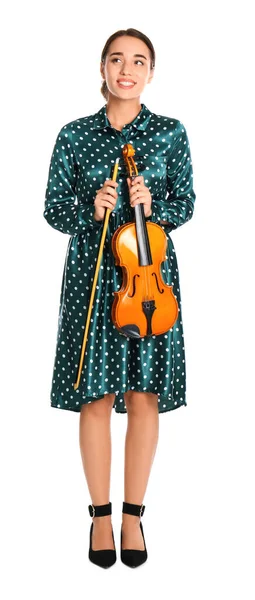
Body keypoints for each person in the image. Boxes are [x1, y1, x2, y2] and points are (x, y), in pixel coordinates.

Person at [43, 28, 196, 569]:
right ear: (102, 69)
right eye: (116, 59)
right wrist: (91, 207)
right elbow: (53, 209)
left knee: (145, 395)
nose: (126, 69)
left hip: (147, 279)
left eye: (139, 61)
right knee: (95, 398)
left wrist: (154, 205)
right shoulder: (74, 134)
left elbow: (187, 204)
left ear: (151, 73)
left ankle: (134, 515)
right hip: (91, 277)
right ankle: (100, 516)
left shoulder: (169, 133)